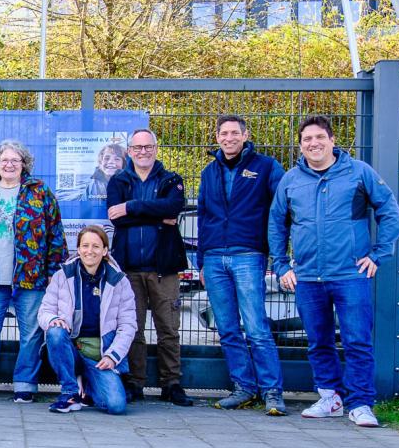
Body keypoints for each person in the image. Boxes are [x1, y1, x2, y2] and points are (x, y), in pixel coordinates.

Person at [268, 115, 399, 428]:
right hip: (308, 277)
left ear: (332, 140)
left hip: (350, 275)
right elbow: (276, 223)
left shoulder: (358, 173)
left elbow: (389, 210)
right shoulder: (291, 180)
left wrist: (379, 254)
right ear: (300, 146)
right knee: (318, 340)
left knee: (356, 340)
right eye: (307, 140)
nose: (313, 144)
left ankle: (361, 403)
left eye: (319, 138)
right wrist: (281, 264)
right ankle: (331, 397)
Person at [0, 140, 66, 401]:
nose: (9, 165)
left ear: (24, 164)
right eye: (4, 160)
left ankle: (25, 383)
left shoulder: (40, 192)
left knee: (31, 331)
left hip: (31, 277)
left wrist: (54, 269)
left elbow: (55, 232)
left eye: (14, 160)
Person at [197, 115, 287, 416]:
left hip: (248, 255)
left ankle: (273, 392)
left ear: (245, 135)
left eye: (235, 132)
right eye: (223, 133)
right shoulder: (209, 172)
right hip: (213, 258)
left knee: (256, 326)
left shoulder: (266, 167)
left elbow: (283, 207)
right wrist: (201, 262)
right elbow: (204, 216)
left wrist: (278, 250)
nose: (229, 138)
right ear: (217, 137)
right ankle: (244, 388)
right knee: (227, 328)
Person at [106, 128, 193, 406]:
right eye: (137, 148)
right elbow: (115, 218)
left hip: (163, 268)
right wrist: (156, 214)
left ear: (156, 149)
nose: (142, 152)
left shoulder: (171, 179)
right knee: (133, 329)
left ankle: (172, 383)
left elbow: (173, 207)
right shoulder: (118, 180)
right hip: (129, 269)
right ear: (129, 151)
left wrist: (131, 207)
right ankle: (135, 382)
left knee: (168, 327)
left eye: (148, 147)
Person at [38, 225, 136, 415]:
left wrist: (112, 356)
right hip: (71, 349)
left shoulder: (119, 281)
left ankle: (87, 382)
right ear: (79, 249)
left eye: (96, 246)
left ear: (105, 251)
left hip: (99, 356)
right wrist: (53, 318)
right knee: (55, 332)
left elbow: (128, 325)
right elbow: (44, 311)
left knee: (116, 405)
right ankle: (69, 393)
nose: (89, 251)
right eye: (85, 246)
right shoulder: (62, 276)